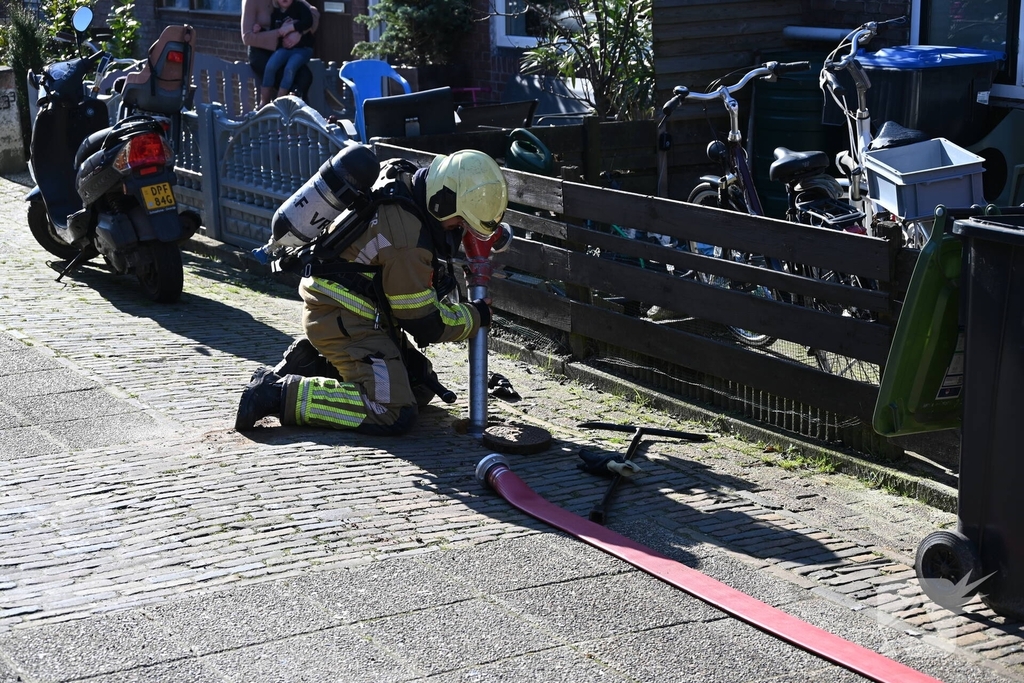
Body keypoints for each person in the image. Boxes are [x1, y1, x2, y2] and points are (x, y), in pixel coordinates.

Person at [235, 150, 509, 435]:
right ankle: (276, 394)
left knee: (420, 383)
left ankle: (314, 363)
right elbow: (423, 321)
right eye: (459, 223)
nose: (459, 232)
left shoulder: (403, 176)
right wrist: (475, 316)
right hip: (344, 318)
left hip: (347, 309)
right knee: (393, 411)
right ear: (442, 203)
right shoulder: (407, 243)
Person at [241, 0, 319, 103]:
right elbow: (247, 38)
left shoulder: (292, 3)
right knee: (278, 73)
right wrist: (281, 32)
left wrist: (298, 32)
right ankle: (269, 104)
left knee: (305, 75)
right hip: (261, 52)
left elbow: (314, 14)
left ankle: (298, 107)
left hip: (285, 48)